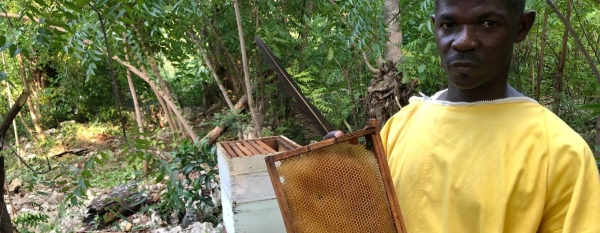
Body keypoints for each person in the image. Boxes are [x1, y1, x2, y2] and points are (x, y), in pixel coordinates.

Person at [328, 0, 600, 232]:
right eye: (449, 25)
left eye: (488, 24)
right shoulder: (399, 126)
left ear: (521, 27)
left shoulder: (560, 152)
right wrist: (335, 175)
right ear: (435, 25)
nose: (463, 41)